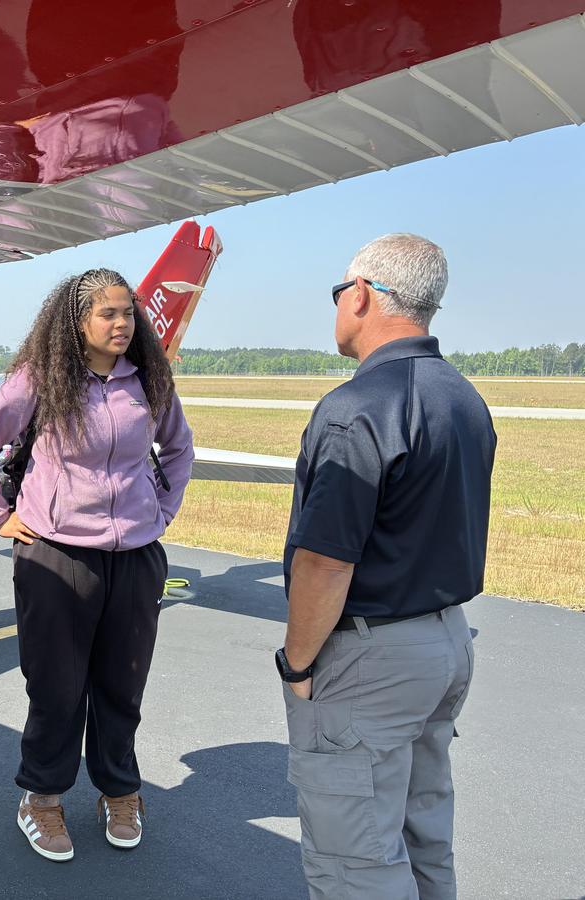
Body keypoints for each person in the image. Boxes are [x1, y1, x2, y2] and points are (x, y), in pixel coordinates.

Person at [0, 268, 194, 862]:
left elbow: (179, 447)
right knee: (56, 688)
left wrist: (160, 512)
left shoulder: (149, 380)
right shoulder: (41, 379)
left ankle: (120, 791)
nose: (122, 323)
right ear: (77, 321)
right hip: (56, 555)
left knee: (122, 683)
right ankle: (41, 797)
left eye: (128, 312)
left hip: (135, 557)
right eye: (107, 313)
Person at [278, 234, 494, 899]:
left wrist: (298, 664)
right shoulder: (462, 397)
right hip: (445, 642)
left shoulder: (357, 408)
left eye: (339, 291)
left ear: (362, 294)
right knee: (422, 836)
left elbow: (324, 562)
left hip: (371, 661)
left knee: (356, 866)